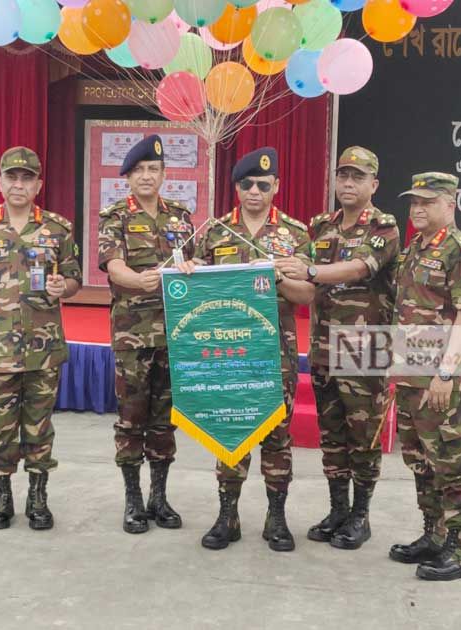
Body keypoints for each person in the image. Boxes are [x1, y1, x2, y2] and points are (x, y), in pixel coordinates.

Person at [189, 147, 314, 552]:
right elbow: (192, 289)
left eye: (263, 184)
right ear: (236, 187)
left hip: (274, 348)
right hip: (228, 349)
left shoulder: (294, 233)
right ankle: (228, 516)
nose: (255, 191)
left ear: (276, 185)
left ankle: (276, 518)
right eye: (247, 184)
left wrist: (275, 278)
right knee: (231, 430)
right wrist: (188, 272)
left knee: (277, 435)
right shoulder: (214, 232)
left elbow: (307, 294)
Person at [276, 146, 400, 550]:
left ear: (374, 184)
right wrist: (277, 275)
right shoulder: (320, 226)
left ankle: (361, 516)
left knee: (362, 436)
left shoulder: (384, 227)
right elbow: (308, 291)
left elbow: (360, 268)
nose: (348, 183)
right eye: (343, 175)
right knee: (332, 435)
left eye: (358, 177)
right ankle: (337, 510)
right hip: (325, 347)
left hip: (365, 350)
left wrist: (310, 270)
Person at [0, 146, 81, 531]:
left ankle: (38, 498)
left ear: (38, 183)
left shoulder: (58, 229)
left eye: (27, 178)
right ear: (0, 182)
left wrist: (64, 287)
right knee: (1, 426)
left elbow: (74, 278)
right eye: (12, 177)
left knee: (40, 426)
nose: (19, 184)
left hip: (44, 349)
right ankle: (2, 496)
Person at [387, 172, 461, 581]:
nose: (418, 208)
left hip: (444, 378)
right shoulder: (415, 247)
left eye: (427, 202)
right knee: (421, 460)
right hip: (411, 373)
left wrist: (445, 373)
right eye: (414, 201)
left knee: (453, 463)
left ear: (451, 204)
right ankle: (433, 534)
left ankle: (459, 550)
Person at [97, 135, 195, 534]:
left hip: (175, 333)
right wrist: (138, 280)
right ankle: (133, 499)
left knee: (164, 420)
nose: (147, 176)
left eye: (153, 169)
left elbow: (191, 260)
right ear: (128, 177)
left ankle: (159, 496)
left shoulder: (181, 216)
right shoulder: (116, 216)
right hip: (133, 335)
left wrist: (194, 266)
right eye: (139, 170)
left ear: (164, 174)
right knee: (131, 420)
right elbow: (114, 266)